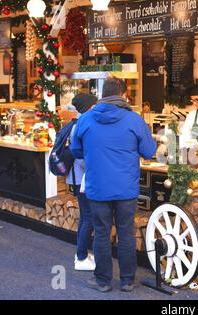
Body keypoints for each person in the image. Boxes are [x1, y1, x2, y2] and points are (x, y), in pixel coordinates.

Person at [70, 78, 156, 293]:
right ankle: (127, 280)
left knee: (101, 233)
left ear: (101, 94)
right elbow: (148, 150)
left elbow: (76, 150)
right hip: (126, 189)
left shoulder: (86, 119)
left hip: (97, 188)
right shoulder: (134, 120)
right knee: (126, 233)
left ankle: (102, 280)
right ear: (124, 94)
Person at [67, 93, 98, 271]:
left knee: (85, 217)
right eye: (94, 105)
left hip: (79, 178)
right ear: (88, 107)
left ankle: (82, 253)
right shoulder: (81, 126)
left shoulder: (78, 124)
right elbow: (81, 157)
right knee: (89, 218)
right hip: (83, 179)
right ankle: (81, 257)